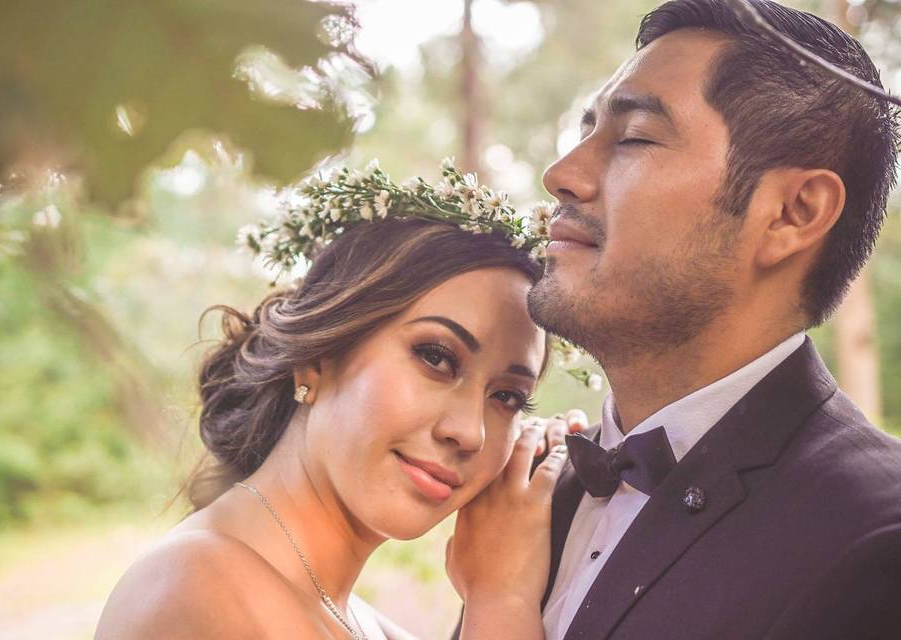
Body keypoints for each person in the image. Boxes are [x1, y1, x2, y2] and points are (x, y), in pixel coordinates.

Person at [448, 0, 901, 638]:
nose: (561, 175)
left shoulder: (879, 541)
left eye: (634, 136)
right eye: (585, 132)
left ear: (793, 213)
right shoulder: (525, 500)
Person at [94, 163, 580, 639]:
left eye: (507, 397)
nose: (470, 432)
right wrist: (501, 598)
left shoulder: (361, 623)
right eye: (435, 357)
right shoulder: (199, 591)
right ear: (318, 357)